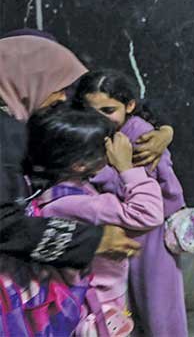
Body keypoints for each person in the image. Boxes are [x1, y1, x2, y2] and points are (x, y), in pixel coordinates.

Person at [1, 34, 140, 270]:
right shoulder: (5, 133)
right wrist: (91, 240)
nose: (63, 97)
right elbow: (5, 226)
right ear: (32, 78)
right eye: (58, 85)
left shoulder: (12, 125)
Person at [25, 104, 164, 336]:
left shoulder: (54, 191)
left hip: (85, 301)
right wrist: (126, 167)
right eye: (104, 147)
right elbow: (149, 213)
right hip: (98, 307)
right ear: (79, 165)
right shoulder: (79, 204)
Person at [73, 69, 188, 336]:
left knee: (158, 308)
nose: (99, 118)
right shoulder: (88, 133)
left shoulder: (142, 137)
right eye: (91, 111)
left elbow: (159, 190)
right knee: (120, 310)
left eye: (108, 110)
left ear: (130, 106)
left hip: (148, 234)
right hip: (113, 233)